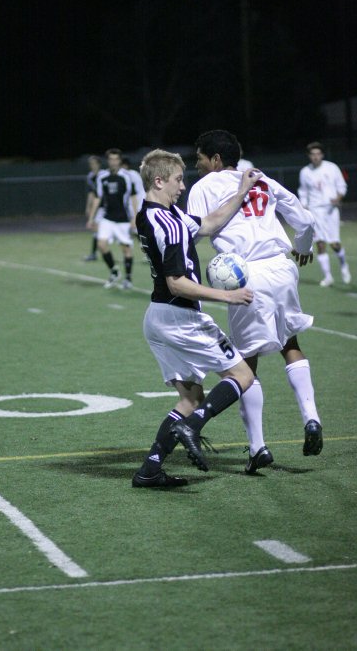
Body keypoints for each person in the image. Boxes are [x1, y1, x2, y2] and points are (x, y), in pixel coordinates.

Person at [187, 129, 323, 467]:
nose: (197, 164)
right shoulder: (261, 179)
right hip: (281, 267)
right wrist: (302, 248)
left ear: (215, 159)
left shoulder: (204, 187)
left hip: (246, 274)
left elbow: (196, 230)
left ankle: (258, 446)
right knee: (290, 341)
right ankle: (311, 417)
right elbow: (305, 219)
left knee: (245, 361)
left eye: (200, 157)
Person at [132, 148, 264, 489]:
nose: (182, 186)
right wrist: (227, 296)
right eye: (178, 180)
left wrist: (241, 192)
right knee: (243, 375)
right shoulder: (170, 224)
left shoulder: (157, 214)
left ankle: (149, 470)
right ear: (159, 180)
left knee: (190, 399)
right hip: (181, 318)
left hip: (158, 317)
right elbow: (177, 282)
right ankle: (192, 426)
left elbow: (209, 223)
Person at [298, 141, 350, 287]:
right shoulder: (305, 172)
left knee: (334, 244)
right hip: (315, 211)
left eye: (318, 154)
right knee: (320, 243)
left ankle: (343, 265)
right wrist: (304, 207)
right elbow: (303, 191)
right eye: (312, 154)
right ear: (309, 156)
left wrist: (338, 198)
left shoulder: (332, 168)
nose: (315, 157)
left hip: (330, 210)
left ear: (322, 155)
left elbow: (342, 186)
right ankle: (328, 277)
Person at [87, 148, 138, 290]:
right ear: (107, 161)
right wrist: (91, 218)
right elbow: (98, 197)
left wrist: (135, 216)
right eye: (111, 159)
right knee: (101, 244)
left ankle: (128, 278)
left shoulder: (126, 177)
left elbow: (133, 197)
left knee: (126, 249)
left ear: (120, 161)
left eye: (116, 159)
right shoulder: (102, 177)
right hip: (107, 218)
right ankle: (114, 271)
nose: (113, 162)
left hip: (123, 219)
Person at [83, 155, 106, 261]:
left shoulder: (104, 175)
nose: (92, 166)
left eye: (94, 163)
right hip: (100, 207)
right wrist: (89, 207)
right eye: (90, 164)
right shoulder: (90, 176)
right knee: (96, 229)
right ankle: (94, 254)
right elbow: (91, 193)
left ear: (99, 164)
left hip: (108, 206)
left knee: (131, 231)